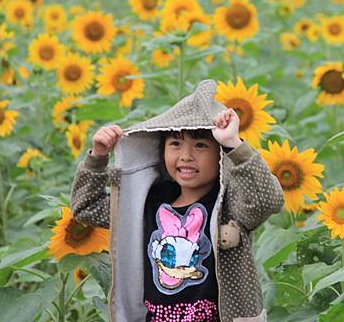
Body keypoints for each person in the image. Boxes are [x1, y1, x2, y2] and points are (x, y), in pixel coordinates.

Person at [70, 79, 284, 321]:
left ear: (220, 156)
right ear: (161, 150)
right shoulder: (146, 203)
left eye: (200, 145)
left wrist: (233, 144)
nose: (186, 156)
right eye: (175, 144)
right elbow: (85, 207)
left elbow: (268, 200)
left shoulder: (229, 204)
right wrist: (98, 157)